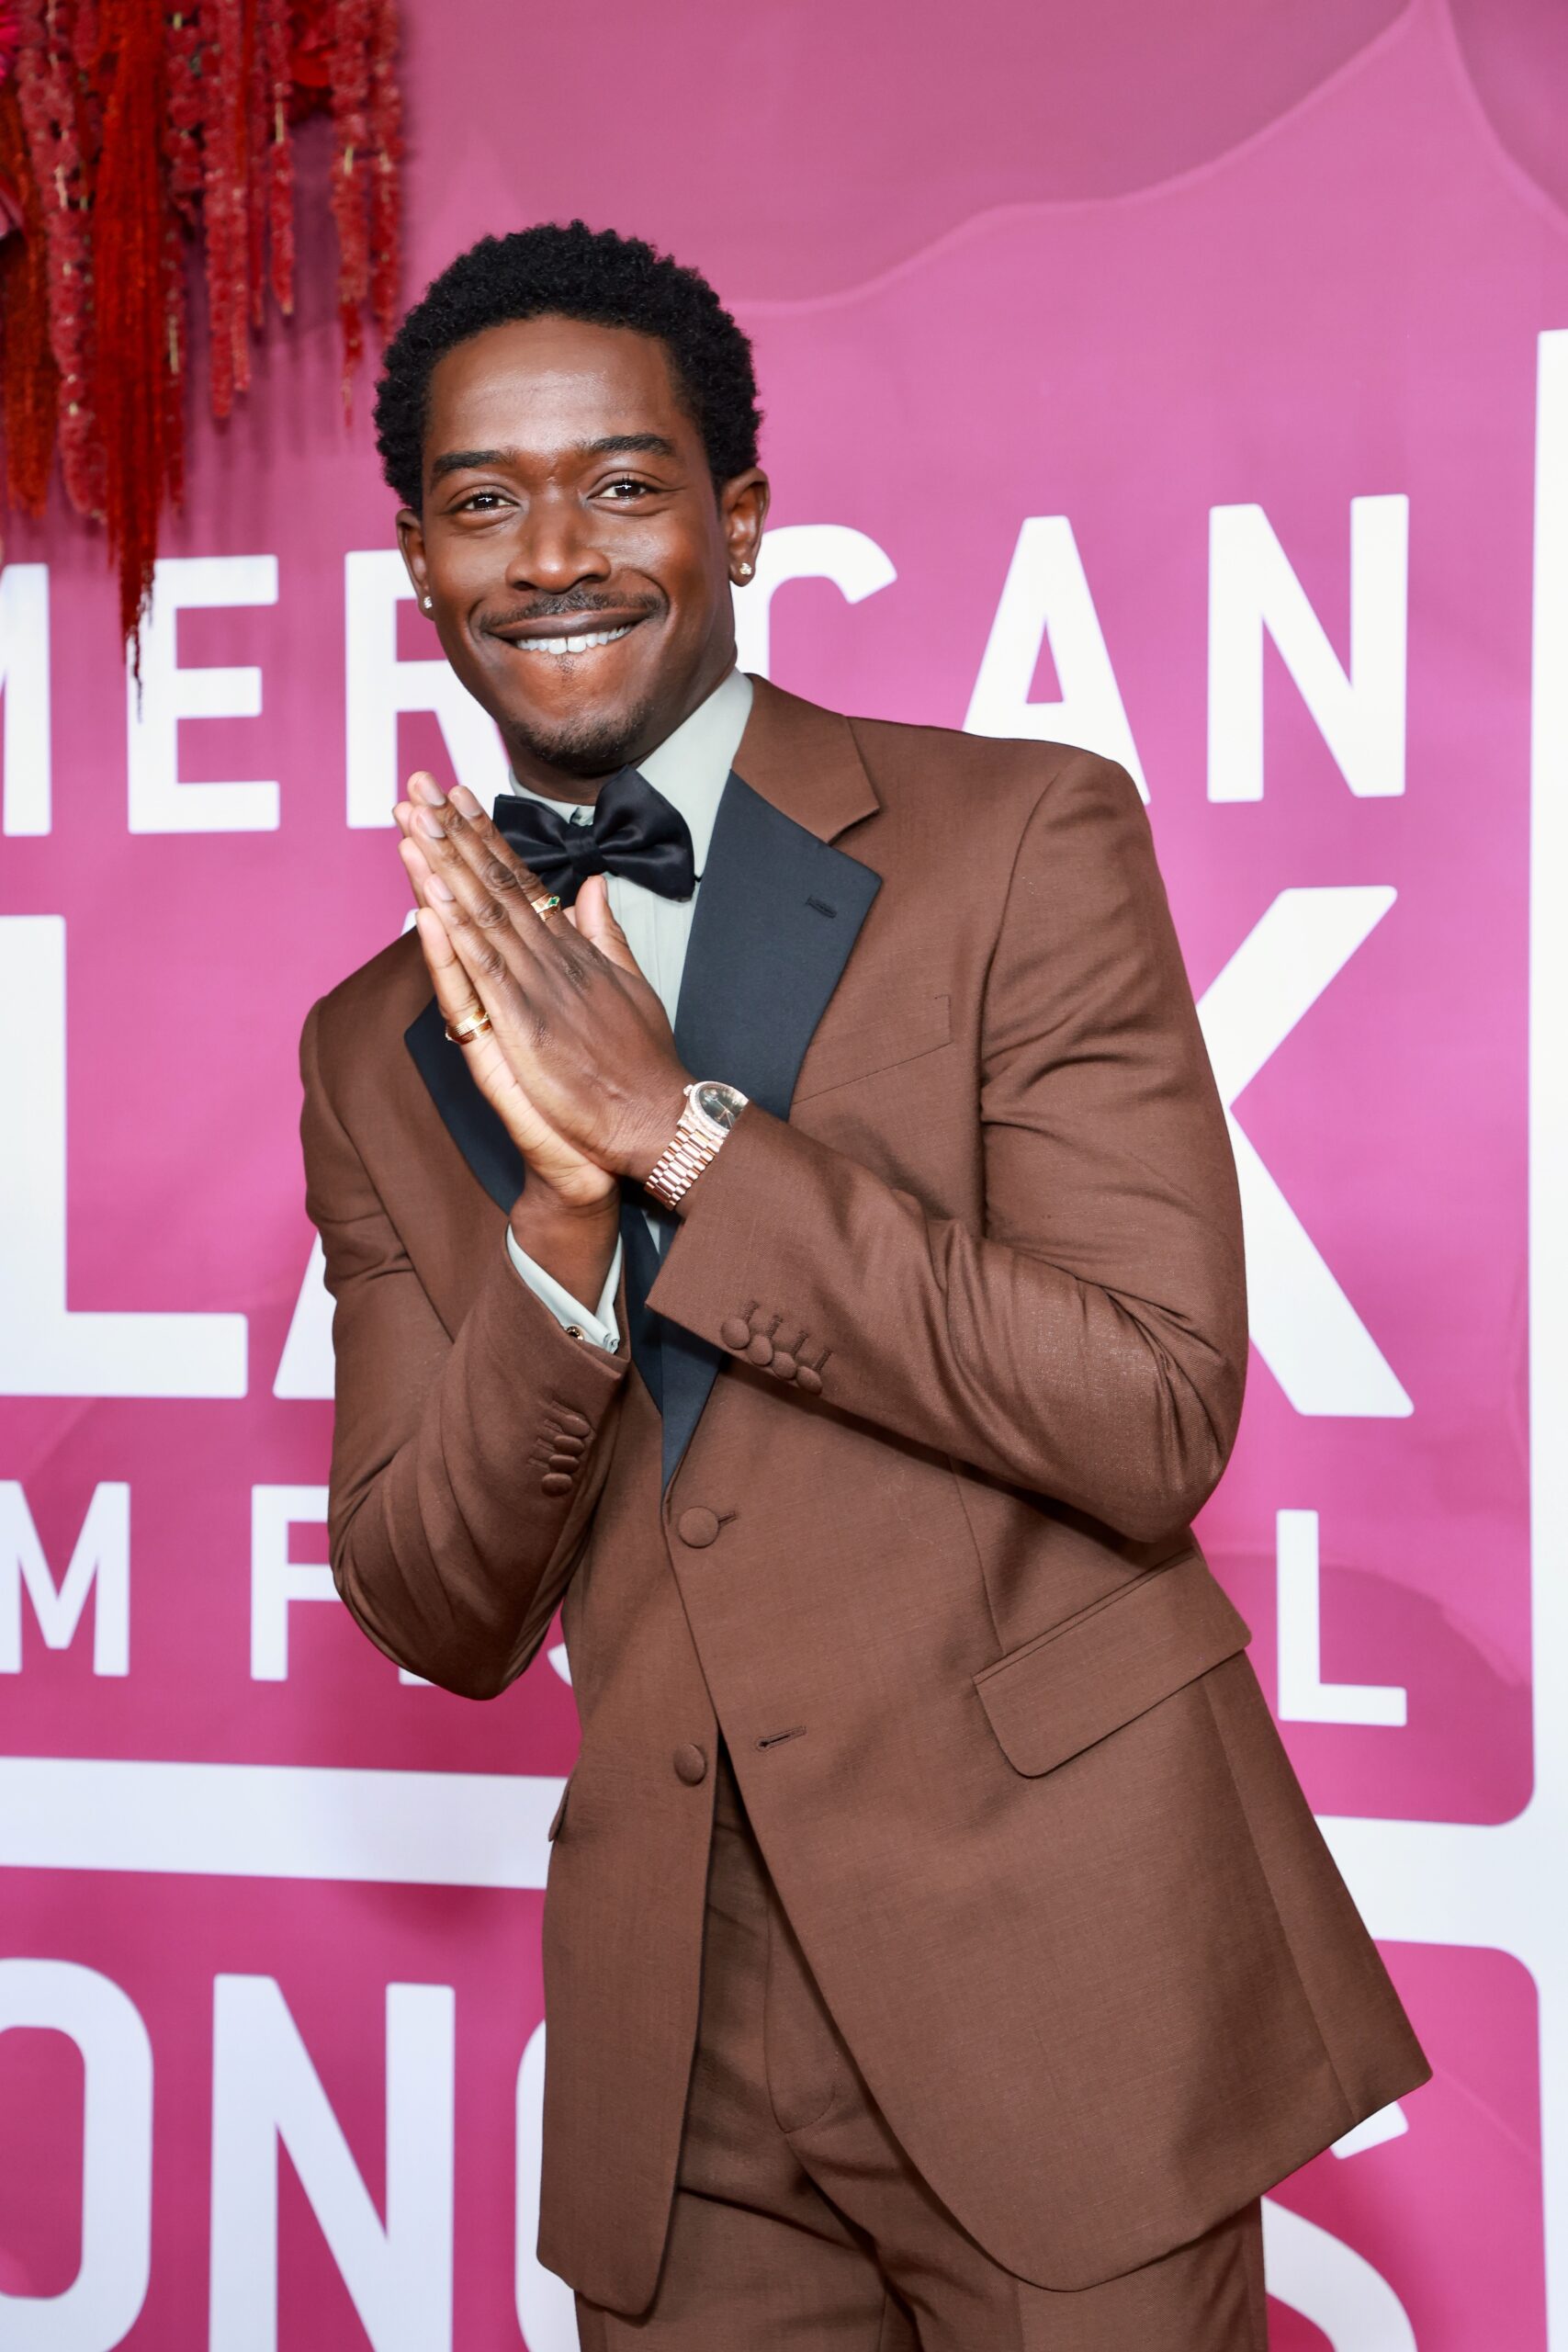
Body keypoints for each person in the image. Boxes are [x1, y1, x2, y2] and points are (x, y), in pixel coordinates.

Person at [300, 220, 1429, 2350]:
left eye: (624, 484)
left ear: (736, 516)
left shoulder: (1015, 841)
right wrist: (558, 1226)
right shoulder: (377, 1041)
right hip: (675, 2052)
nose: (554, 551)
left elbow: (1148, 1405)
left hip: (1055, 1982)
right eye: (482, 501)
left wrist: (681, 1139)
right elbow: (432, 1603)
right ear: (417, 566)